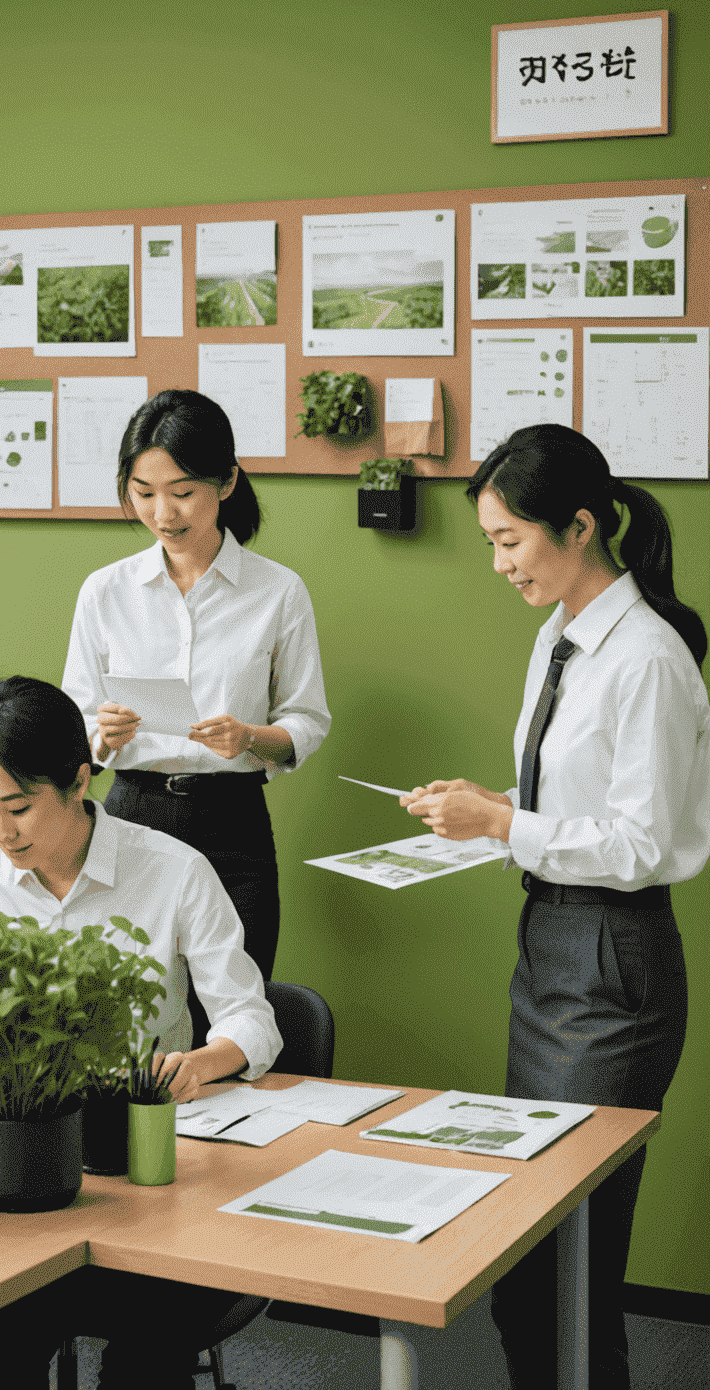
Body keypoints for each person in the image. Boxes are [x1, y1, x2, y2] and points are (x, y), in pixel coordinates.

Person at [400, 424, 706, 1390]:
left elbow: (646, 846)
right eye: (491, 541)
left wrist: (501, 824)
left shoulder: (647, 658)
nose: (498, 564)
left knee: (563, 1267)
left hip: (611, 959)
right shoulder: (560, 639)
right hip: (553, 945)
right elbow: (574, 806)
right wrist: (487, 811)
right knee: (534, 1260)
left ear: (580, 527)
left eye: (509, 541)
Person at [0, 675, 281, 1390]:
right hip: (15, 1171)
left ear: (80, 779)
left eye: (19, 808)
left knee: (146, 1358)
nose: (1, 833)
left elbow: (253, 1017)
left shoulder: (174, 870)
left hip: (139, 1181)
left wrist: (205, 1061)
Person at [62, 388, 329, 983]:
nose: (164, 514)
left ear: (226, 483)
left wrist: (252, 737)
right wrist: (99, 735)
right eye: (144, 494)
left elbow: (307, 720)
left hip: (233, 823)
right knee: (128, 1008)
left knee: (235, 1013)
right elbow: (75, 722)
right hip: (131, 815)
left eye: (183, 493)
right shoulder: (105, 592)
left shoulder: (278, 591)